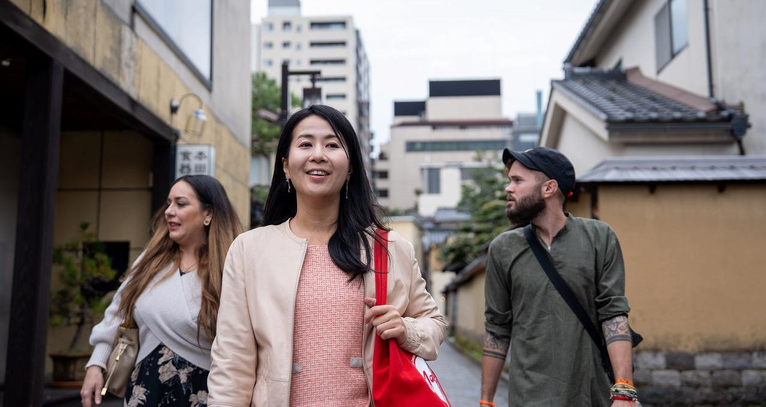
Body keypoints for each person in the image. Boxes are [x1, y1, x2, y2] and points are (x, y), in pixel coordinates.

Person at [207, 105, 446, 407]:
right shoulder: (249, 249)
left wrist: (406, 329)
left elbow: (434, 323)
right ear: (285, 165)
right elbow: (232, 361)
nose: (318, 154)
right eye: (305, 144)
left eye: (332, 145)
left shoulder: (390, 247)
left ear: (350, 169)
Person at [480, 147, 639, 407]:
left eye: (518, 180)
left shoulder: (599, 237)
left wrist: (624, 391)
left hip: (591, 395)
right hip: (527, 397)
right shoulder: (503, 249)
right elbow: (497, 328)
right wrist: (486, 401)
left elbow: (614, 313)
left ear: (549, 188)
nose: (509, 188)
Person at [80, 175, 243, 407]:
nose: (169, 211)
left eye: (181, 203)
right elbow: (116, 312)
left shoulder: (233, 266)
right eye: (168, 203)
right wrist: (96, 364)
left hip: (207, 393)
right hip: (144, 390)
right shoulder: (150, 261)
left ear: (208, 213)